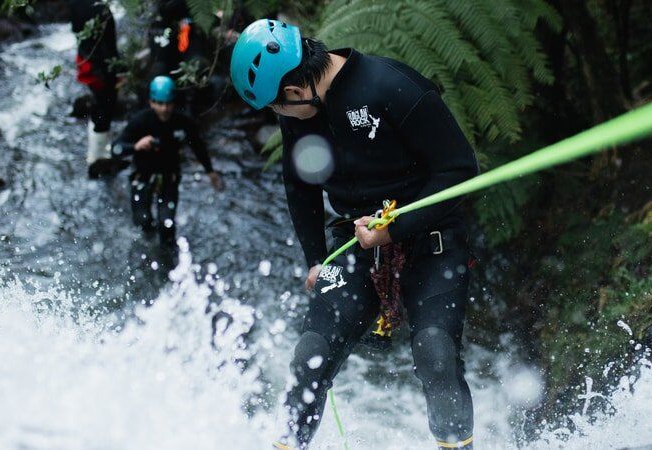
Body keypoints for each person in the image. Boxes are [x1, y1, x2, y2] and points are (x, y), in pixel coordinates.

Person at [230, 19, 479, 450]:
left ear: (293, 92)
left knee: (435, 353)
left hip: (432, 240)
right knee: (310, 357)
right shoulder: (301, 114)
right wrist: (315, 258)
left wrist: (395, 228)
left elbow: (459, 170)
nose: (278, 117)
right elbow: (301, 184)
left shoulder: (392, 87)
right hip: (357, 245)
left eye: (276, 108)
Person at [112, 76, 223, 248]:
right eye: (160, 103)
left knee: (167, 224)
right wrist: (136, 146)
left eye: (168, 103)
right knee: (142, 220)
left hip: (168, 177)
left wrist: (210, 171)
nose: (164, 109)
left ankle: (168, 258)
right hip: (143, 176)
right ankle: (147, 251)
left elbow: (198, 146)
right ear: (151, 102)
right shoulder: (140, 121)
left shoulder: (183, 122)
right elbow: (116, 148)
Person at [67, 0, 120, 178]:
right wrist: (115, 71)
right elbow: (108, 47)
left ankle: (97, 154)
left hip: (87, 61)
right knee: (105, 109)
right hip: (99, 68)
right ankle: (98, 159)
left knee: (101, 107)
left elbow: (76, 30)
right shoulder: (99, 9)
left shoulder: (77, 4)